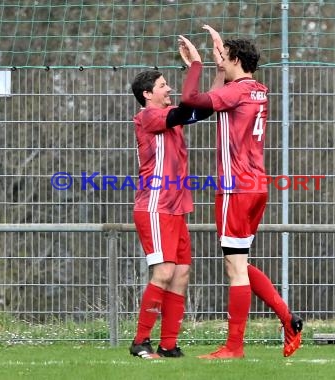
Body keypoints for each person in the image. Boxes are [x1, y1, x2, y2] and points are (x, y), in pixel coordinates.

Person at [178, 26, 303, 359]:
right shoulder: (257, 89)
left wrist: (197, 66)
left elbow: (192, 103)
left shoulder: (237, 92)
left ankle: (234, 347)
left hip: (235, 188)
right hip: (256, 185)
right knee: (239, 263)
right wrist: (220, 70)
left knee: (235, 268)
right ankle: (287, 318)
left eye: (225, 55)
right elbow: (210, 106)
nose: (222, 58)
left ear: (235, 58)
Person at [129, 70, 213, 359]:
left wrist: (216, 71)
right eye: (163, 85)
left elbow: (204, 107)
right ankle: (141, 342)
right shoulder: (148, 117)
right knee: (164, 272)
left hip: (175, 209)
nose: (169, 89)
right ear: (147, 94)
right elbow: (188, 106)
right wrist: (195, 67)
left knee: (180, 274)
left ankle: (168, 345)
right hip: (154, 207)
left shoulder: (171, 117)